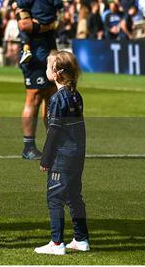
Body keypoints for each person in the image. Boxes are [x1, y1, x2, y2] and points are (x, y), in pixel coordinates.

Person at [15, 0, 100, 160]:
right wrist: (49, 25)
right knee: (34, 97)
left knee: (53, 97)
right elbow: (24, 25)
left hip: (48, 52)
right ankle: (28, 147)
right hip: (34, 52)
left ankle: (54, 143)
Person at [34, 50, 89, 256]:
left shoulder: (58, 99)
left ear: (56, 73)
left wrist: (46, 159)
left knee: (55, 198)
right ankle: (81, 239)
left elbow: (54, 131)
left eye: (49, 67)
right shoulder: (76, 95)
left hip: (62, 156)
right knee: (74, 196)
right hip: (77, 154)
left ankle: (56, 243)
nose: (46, 70)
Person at [16, 0, 63, 66]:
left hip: (36, 21)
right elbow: (58, 4)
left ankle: (26, 49)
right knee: (51, 42)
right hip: (50, 22)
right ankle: (54, 59)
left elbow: (22, 3)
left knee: (25, 30)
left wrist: (17, 4)